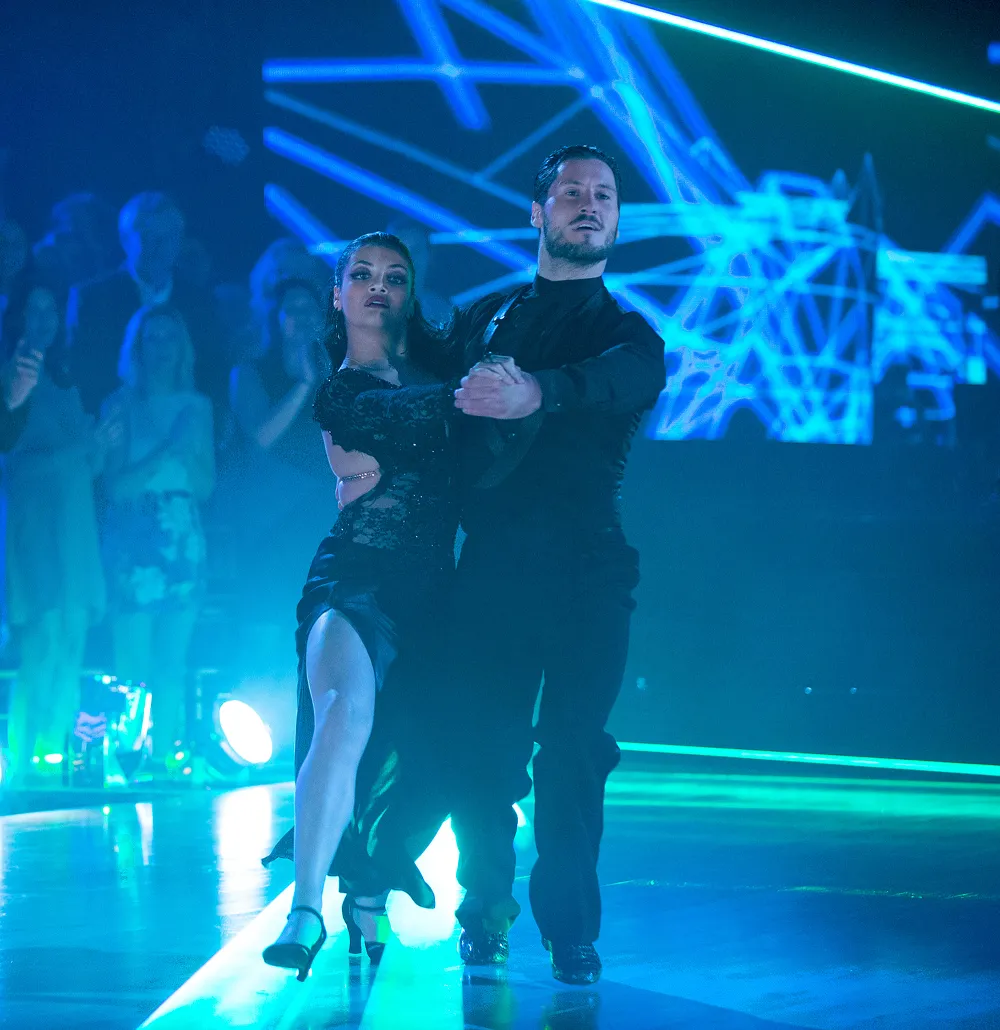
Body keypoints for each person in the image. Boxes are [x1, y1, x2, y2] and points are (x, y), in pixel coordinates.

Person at [359, 144, 666, 986]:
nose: (589, 204)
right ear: (538, 212)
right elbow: (420, 354)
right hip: (490, 569)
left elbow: (618, 381)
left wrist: (533, 392)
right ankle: (484, 912)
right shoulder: (490, 316)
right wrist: (386, 282)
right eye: (571, 192)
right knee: (480, 751)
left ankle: (570, 932)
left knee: (570, 752)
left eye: (603, 194)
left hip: (586, 575)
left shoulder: (628, 334)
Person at [261, 233, 457, 980]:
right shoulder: (339, 391)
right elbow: (414, 423)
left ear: (411, 294)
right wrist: (466, 402)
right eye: (362, 275)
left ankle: (367, 885)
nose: (378, 287)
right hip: (356, 576)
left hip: (437, 590)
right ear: (336, 292)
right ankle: (304, 908)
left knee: (430, 755)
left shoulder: (439, 372)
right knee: (346, 708)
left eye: (395, 277)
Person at [97, 305, 215, 772]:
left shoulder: (198, 406)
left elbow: (205, 487)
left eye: (171, 337)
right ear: (138, 346)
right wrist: (169, 448)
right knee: (133, 660)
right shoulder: (120, 405)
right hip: (134, 534)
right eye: (153, 337)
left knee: (173, 659)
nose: (162, 347)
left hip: (183, 532)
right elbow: (116, 488)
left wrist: (188, 453)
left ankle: (165, 756)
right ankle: (127, 760)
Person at [1, 278, 106, 782]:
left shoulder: (67, 381)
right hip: (33, 527)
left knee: (70, 640)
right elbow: (14, 463)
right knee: (41, 641)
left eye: (51, 310)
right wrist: (82, 449)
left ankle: (52, 757)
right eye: (33, 309)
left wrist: (98, 447)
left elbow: (88, 463)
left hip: (75, 523)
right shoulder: (9, 379)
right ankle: (21, 767)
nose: (42, 320)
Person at [65, 192, 227, 416]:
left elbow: (213, 372)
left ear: (180, 241)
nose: (159, 247)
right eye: (149, 236)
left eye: (169, 236)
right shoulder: (93, 300)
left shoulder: (200, 303)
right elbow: (85, 374)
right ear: (124, 240)